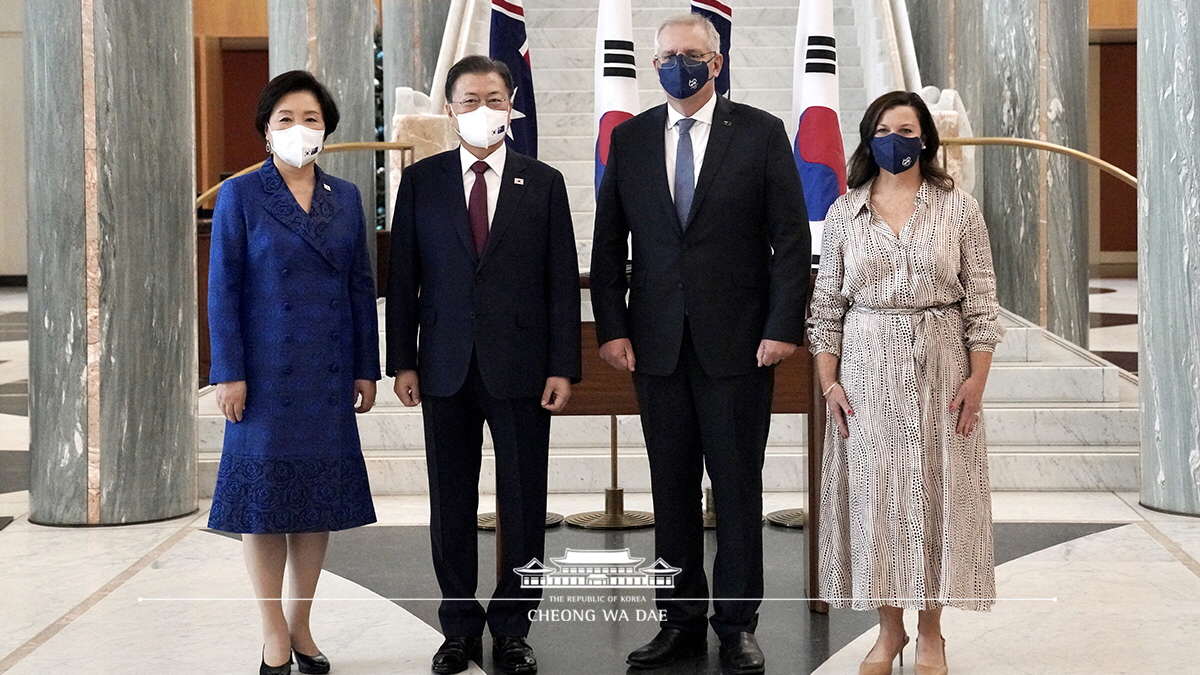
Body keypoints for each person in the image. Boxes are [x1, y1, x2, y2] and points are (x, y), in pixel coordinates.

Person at [590, 14, 810, 675]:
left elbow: (791, 241)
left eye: (687, 55)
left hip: (742, 345)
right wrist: (613, 327)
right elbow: (607, 246)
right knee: (672, 488)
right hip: (656, 346)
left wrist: (781, 326)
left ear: (715, 64)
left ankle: (737, 623)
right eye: (663, 56)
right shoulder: (628, 140)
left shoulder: (762, 133)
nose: (673, 65)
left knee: (739, 487)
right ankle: (679, 620)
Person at [385, 55, 581, 675]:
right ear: (450, 110)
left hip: (523, 367)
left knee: (524, 501)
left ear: (512, 103)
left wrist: (562, 365)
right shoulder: (421, 182)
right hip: (443, 366)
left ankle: (515, 627)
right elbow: (404, 279)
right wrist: (403, 362)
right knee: (451, 501)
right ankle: (459, 626)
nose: (480, 110)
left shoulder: (543, 181)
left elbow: (559, 284)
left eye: (492, 98)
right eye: (468, 100)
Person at [807, 90, 1005, 675]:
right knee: (879, 505)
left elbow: (984, 303)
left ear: (926, 138)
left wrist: (978, 380)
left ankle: (931, 633)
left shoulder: (958, 208)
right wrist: (828, 383)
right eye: (887, 129)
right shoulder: (847, 211)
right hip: (866, 378)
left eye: (909, 129)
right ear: (871, 139)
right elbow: (826, 308)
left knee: (937, 499)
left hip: (943, 372)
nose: (899, 139)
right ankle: (888, 632)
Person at [207, 70, 381, 675]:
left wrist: (367, 368)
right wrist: (228, 371)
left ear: (327, 129)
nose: (298, 129)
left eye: (310, 119)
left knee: (314, 506)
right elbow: (223, 291)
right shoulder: (241, 195)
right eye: (285, 119)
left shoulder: (347, 197)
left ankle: (303, 625)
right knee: (264, 506)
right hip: (263, 375)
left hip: (327, 374)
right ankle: (272, 630)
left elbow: (361, 287)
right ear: (265, 132)